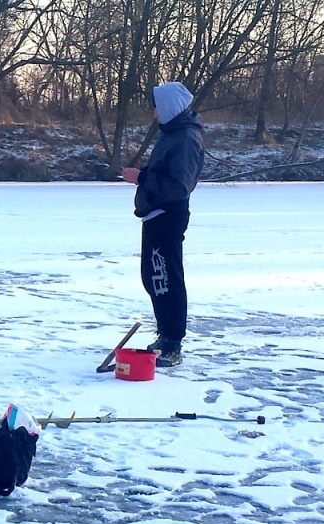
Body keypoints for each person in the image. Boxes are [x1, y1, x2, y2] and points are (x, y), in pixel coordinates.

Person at [121, 82, 205, 367]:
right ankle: (165, 335)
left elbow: (179, 187)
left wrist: (141, 178)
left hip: (167, 217)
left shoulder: (185, 139)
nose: (154, 114)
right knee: (154, 278)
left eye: (156, 108)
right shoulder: (172, 135)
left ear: (168, 108)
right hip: (155, 216)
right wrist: (144, 175)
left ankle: (172, 343)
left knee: (166, 279)